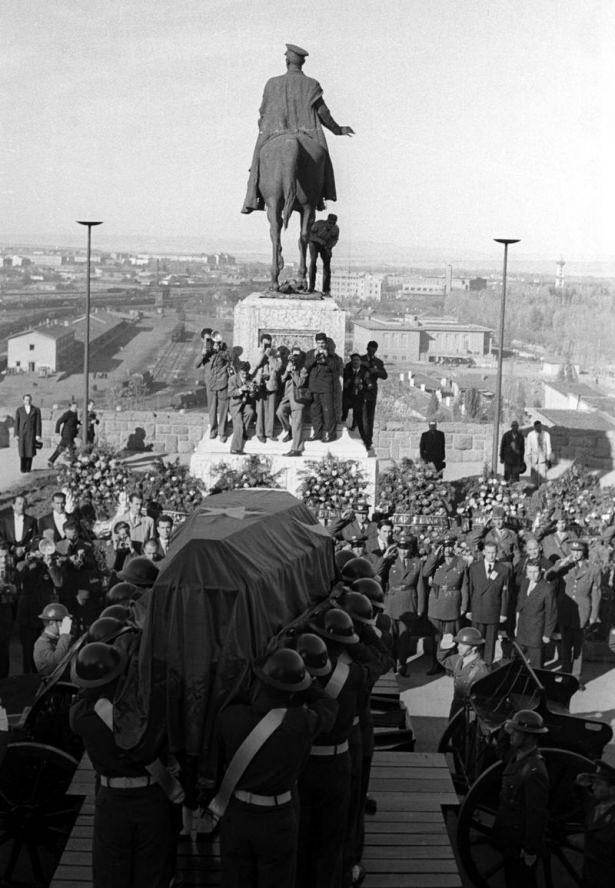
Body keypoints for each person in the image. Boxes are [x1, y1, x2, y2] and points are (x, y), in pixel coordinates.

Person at [214, 648, 337, 888]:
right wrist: (307, 682)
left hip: (236, 814)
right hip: (277, 819)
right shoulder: (301, 723)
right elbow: (328, 704)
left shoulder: (230, 717)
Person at [70, 641, 179, 888]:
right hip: (151, 795)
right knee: (153, 875)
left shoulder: (83, 715)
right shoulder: (146, 710)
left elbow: (79, 704)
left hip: (112, 800)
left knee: (110, 876)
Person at [241, 44, 354, 215]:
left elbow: (263, 111)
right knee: (323, 159)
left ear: (287, 61)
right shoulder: (312, 84)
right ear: (301, 64)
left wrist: (265, 125)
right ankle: (324, 193)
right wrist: (338, 130)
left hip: (274, 131)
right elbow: (323, 112)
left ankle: (253, 197)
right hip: (308, 132)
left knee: (258, 159)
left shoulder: (272, 83)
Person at [493, 710, 550, 888]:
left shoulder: (535, 772)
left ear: (529, 737)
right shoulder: (517, 755)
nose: (512, 734)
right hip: (510, 840)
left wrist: (530, 850)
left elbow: (536, 815)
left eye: (516, 732)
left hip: (520, 845)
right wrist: (505, 728)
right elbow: (501, 750)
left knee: (522, 882)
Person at [547, 540, 600, 685]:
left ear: (584, 552)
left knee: (578, 647)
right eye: (573, 551)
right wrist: (561, 564)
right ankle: (565, 675)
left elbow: (596, 594)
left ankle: (575, 679)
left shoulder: (593, 569)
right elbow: (548, 576)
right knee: (565, 645)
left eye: (579, 551)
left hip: (582, 610)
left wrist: (594, 615)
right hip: (565, 610)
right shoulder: (565, 565)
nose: (575, 554)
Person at [422, 537, 469, 676]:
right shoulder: (435, 561)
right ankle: (435, 664)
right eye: (444, 546)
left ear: (453, 547)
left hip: (452, 603)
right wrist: (434, 555)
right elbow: (425, 573)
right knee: (436, 638)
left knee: (451, 637)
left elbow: (464, 586)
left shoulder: (461, 562)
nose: (447, 549)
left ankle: (450, 666)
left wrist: (464, 605)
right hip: (436, 603)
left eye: (449, 546)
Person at [384, 532, 425, 676]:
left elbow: (420, 586)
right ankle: (390, 664)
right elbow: (378, 573)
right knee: (391, 636)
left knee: (404, 637)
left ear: (411, 548)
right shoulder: (390, 561)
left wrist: (420, 608)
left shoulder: (417, 562)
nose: (403, 550)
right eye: (401, 547)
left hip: (409, 602)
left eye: (406, 547)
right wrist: (385, 557)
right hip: (392, 603)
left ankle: (402, 664)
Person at [466, 541, 510, 665]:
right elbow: (470, 590)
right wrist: (469, 609)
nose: (491, 555)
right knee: (476, 642)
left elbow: (505, 593)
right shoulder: (474, 567)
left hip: (493, 611)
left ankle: (487, 667)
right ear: (484, 552)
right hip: (478, 610)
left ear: (497, 553)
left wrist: (503, 613)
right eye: (488, 552)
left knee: (490, 643)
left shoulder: (503, 569)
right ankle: (474, 667)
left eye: (494, 553)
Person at [574, 761, 615, 888]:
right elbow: (581, 793)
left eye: (598, 784)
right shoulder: (594, 805)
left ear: (613, 789)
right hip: (588, 876)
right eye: (593, 783)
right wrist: (578, 781)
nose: (593, 787)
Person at [438, 627, 489, 720]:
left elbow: (484, 700)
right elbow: (443, 660)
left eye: (463, 645)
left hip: (469, 714)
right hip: (456, 706)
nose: (458, 647)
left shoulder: (481, 671)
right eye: (458, 643)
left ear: (474, 648)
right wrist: (443, 648)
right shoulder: (459, 659)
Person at [515, 562, 557, 667]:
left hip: (536, 632)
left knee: (536, 664)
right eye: (530, 571)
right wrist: (516, 625)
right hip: (522, 629)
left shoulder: (547, 588)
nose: (532, 575)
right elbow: (520, 606)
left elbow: (551, 613)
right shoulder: (525, 583)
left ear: (541, 572)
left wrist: (547, 634)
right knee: (517, 660)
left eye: (535, 572)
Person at [305, 332, 338, 442]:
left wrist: (327, 357)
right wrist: (315, 357)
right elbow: (306, 367)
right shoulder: (310, 353)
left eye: (323, 343)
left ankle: (331, 434)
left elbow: (335, 369)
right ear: (316, 343)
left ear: (326, 343)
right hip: (314, 387)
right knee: (315, 412)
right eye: (318, 343)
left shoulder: (332, 355)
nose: (321, 345)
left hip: (326, 388)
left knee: (328, 412)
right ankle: (317, 433)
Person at [276, 346, 308, 457]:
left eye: (297, 355)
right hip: (287, 396)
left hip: (298, 398)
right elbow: (282, 380)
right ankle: (289, 430)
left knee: (297, 424)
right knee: (280, 412)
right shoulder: (288, 366)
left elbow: (300, 383)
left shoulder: (303, 369)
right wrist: (287, 371)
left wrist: (294, 372)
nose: (295, 358)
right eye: (293, 355)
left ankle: (296, 449)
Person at [253, 335, 281, 443]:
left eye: (268, 344)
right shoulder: (256, 352)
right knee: (260, 410)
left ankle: (269, 433)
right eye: (265, 344)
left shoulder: (275, 353)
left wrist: (270, 356)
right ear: (260, 343)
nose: (266, 346)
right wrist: (263, 354)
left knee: (270, 410)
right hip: (260, 384)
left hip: (271, 384)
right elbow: (255, 364)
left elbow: (278, 367)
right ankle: (260, 433)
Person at [360, 342, 387, 452]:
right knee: (362, 416)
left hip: (371, 392)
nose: (372, 352)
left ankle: (368, 441)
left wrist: (376, 370)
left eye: (374, 350)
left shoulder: (378, 362)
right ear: (367, 349)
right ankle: (362, 438)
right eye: (370, 350)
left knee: (370, 417)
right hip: (361, 390)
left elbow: (385, 375)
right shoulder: (360, 359)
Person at [33, 602, 73, 676]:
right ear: (52, 623)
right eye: (63, 621)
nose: (67, 624)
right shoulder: (41, 644)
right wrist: (65, 635)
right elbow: (58, 660)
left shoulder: (57, 638)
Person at [205, 333, 231, 441]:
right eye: (214, 342)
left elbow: (230, 357)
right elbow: (198, 363)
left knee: (223, 409)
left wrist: (219, 351)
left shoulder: (224, 350)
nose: (216, 344)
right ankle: (213, 430)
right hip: (212, 384)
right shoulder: (208, 350)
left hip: (222, 383)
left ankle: (222, 432)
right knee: (212, 409)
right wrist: (206, 352)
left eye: (218, 342)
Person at [342, 354, 370, 448]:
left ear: (360, 362)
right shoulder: (346, 371)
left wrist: (363, 387)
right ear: (351, 361)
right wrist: (349, 381)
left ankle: (357, 429)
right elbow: (343, 385)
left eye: (357, 360)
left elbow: (370, 385)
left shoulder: (365, 372)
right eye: (353, 360)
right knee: (344, 407)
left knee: (358, 412)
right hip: (348, 396)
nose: (355, 362)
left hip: (359, 397)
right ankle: (343, 424)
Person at [228, 361, 256, 454]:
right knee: (238, 425)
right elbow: (230, 393)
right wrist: (240, 390)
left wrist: (252, 391)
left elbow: (252, 395)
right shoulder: (232, 379)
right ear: (239, 371)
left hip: (245, 404)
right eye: (243, 373)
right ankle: (235, 449)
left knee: (250, 412)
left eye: (246, 373)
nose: (245, 375)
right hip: (235, 406)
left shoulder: (249, 378)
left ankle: (243, 433)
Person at [307, 214, 339, 295]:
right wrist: (319, 240)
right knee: (313, 262)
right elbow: (310, 235)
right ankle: (311, 287)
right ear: (326, 221)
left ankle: (326, 289)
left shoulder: (336, 229)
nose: (331, 225)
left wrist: (329, 248)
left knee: (327, 266)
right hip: (314, 243)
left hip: (325, 245)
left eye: (333, 223)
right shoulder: (318, 224)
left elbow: (334, 240)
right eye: (329, 223)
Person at [0, 494, 38, 561]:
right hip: (8, 555)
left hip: (26, 556)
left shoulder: (32, 521)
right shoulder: (4, 521)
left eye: (24, 504)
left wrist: (24, 549)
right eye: (19, 504)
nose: (22, 506)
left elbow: (35, 538)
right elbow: (1, 538)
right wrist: (12, 548)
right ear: (13, 506)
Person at [14, 393, 42, 473]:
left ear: (31, 400)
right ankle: (22, 469)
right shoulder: (19, 410)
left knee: (30, 451)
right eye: (26, 400)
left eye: (29, 400)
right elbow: (16, 423)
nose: (28, 401)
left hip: (31, 434)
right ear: (23, 401)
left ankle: (28, 468)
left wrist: (38, 434)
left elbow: (38, 423)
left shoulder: (36, 410)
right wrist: (16, 434)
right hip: (22, 434)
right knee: (22, 451)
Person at [48, 402, 80, 466]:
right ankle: (75, 462)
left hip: (71, 435)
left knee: (61, 448)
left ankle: (51, 460)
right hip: (67, 434)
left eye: (76, 407)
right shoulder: (67, 414)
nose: (76, 408)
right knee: (72, 448)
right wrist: (57, 431)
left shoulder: (75, 413)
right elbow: (59, 421)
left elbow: (75, 421)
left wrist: (79, 422)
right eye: (74, 407)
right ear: (70, 407)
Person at [526, 420, 552, 486]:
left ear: (541, 426)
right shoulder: (530, 435)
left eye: (539, 427)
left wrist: (548, 458)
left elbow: (549, 447)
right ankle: (534, 489)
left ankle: (542, 489)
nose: (538, 428)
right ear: (534, 427)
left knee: (542, 476)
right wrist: (529, 457)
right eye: (536, 427)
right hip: (534, 457)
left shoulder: (546, 434)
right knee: (534, 477)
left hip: (542, 458)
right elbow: (528, 447)